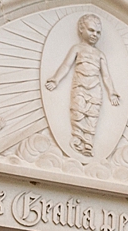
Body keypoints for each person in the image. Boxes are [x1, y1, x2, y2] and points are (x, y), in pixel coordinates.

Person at [45, 13, 120, 157]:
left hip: (95, 89)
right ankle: (77, 139)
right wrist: (55, 79)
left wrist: (112, 92)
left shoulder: (100, 54)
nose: (95, 35)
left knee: (93, 115)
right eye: (91, 30)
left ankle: (88, 143)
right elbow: (66, 66)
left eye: (98, 32)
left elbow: (106, 76)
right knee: (78, 110)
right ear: (81, 29)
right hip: (80, 86)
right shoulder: (77, 48)